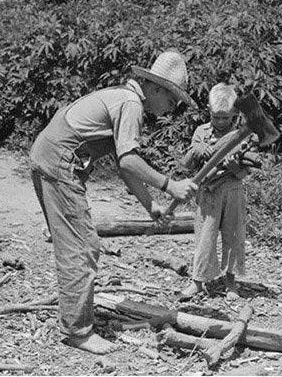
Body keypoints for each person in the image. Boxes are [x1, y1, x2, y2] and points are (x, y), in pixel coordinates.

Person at [29, 51, 198, 356]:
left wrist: (151, 205)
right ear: (157, 89)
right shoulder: (131, 104)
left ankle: (76, 318)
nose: (171, 110)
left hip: (47, 155)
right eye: (172, 102)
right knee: (82, 246)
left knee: (75, 244)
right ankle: (77, 331)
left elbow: (124, 166)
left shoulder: (124, 97)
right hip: (59, 162)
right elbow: (131, 160)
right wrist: (170, 185)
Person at [179, 83, 253, 302]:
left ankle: (231, 281)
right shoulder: (201, 132)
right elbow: (187, 161)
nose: (221, 122)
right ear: (209, 112)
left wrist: (232, 166)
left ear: (234, 115)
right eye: (216, 117)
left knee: (233, 235)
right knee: (205, 236)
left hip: (232, 191)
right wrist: (203, 150)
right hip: (208, 192)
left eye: (226, 118)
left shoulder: (240, 136)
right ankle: (198, 281)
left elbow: (244, 172)